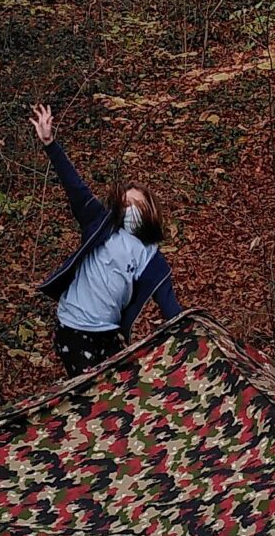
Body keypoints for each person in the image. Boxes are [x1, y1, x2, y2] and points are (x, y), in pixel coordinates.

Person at [28, 104, 182, 374]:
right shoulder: (101, 224)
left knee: (119, 391)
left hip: (108, 332)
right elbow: (75, 186)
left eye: (136, 203)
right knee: (89, 394)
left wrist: (191, 339)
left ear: (150, 212)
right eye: (126, 203)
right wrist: (50, 144)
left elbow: (171, 309)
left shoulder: (152, 259)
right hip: (73, 325)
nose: (129, 208)